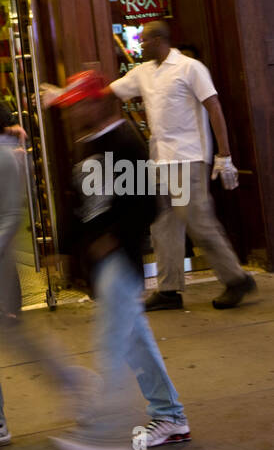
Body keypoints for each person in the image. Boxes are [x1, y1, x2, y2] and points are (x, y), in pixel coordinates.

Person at [47, 72, 190, 450]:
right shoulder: (87, 144)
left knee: (111, 343)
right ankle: (169, 415)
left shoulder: (125, 141)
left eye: (78, 105)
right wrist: (65, 247)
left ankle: (106, 432)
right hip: (102, 262)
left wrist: (113, 239)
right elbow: (81, 202)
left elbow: (149, 202)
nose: (71, 114)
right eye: (69, 107)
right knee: (133, 341)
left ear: (97, 103)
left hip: (118, 261)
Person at [0, 95, 84, 450]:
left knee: (5, 335)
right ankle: (0, 417)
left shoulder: (6, 159)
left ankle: (63, 385)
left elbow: (10, 216)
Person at [109, 20, 256, 311]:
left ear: (159, 40)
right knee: (163, 225)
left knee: (198, 221)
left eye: (144, 40)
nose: (139, 45)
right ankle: (168, 290)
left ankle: (236, 278)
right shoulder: (144, 72)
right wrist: (70, 93)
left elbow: (214, 107)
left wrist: (224, 155)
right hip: (161, 159)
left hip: (188, 157)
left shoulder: (190, 68)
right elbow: (109, 92)